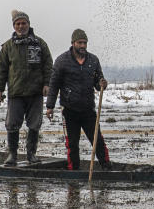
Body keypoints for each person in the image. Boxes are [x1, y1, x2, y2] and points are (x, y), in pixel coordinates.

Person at [45, 29, 110, 170]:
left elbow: (99, 82)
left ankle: (106, 167)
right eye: (80, 42)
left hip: (88, 109)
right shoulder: (62, 61)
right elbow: (54, 85)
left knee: (97, 140)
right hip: (69, 110)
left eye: (85, 43)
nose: (83, 46)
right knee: (72, 144)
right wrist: (49, 106)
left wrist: (102, 83)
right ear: (73, 43)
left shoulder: (93, 60)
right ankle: (74, 170)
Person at [0, 10, 52, 166]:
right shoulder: (7, 47)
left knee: (34, 124)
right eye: (18, 24)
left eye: (24, 23)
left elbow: (48, 66)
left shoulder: (40, 44)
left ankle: (31, 154)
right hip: (16, 93)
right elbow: (2, 70)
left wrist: (47, 84)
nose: (21, 26)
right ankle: (12, 155)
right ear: (14, 26)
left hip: (35, 92)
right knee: (12, 124)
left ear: (29, 24)